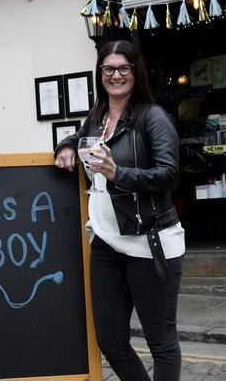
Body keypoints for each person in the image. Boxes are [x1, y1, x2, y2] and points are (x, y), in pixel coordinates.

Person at [55, 40, 184, 381]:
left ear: (135, 71)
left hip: (150, 242)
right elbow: (78, 138)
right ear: (100, 74)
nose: (116, 75)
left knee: (161, 342)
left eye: (123, 68)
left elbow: (169, 174)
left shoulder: (151, 117)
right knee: (111, 340)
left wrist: (118, 174)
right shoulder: (97, 117)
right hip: (106, 243)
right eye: (108, 69)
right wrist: (66, 146)